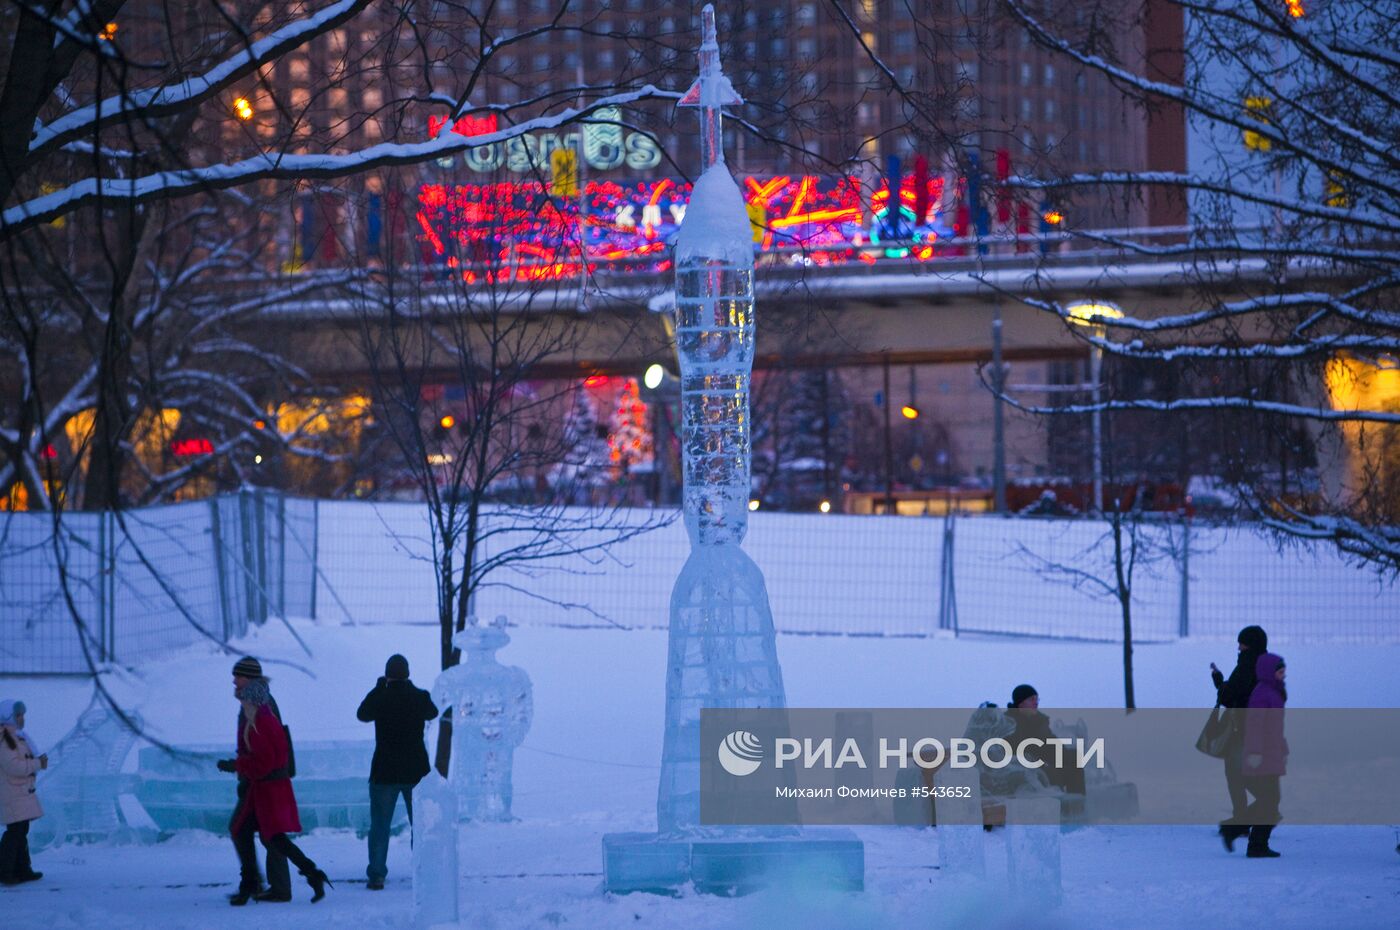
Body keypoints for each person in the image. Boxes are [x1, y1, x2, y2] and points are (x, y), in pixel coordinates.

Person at [225, 677, 331, 902]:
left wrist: (236, 765)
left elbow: (264, 763)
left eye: (244, 699)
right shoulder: (262, 720)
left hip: (267, 792)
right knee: (271, 837)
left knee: (251, 832)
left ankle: (251, 885)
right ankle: (313, 875)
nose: (241, 703)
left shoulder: (262, 724)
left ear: (252, 701)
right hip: (267, 791)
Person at [357, 654, 439, 891]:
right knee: (420, 826)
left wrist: (378, 688)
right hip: (416, 772)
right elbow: (433, 712)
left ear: (387, 675)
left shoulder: (380, 697)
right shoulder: (419, 697)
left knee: (380, 826)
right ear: (408, 674)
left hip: (385, 772)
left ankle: (377, 875)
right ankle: (422, 870)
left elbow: (362, 714)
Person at [217, 656, 291, 904]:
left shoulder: (258, 703)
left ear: (249, 678)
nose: (233, 681)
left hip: (263, 781)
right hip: (262, 779)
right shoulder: (256, 700)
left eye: (238, 676)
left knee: (243, 830)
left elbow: (263, 751)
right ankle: (270, 886)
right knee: (262, 833)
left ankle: (259, 884)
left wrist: (238, 766)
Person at [1222, 653, 1287, 858]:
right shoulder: (1262, 694)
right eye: (1280, 672)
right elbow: (1255, 726)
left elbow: (1275, 727)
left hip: (1271, 752)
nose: (1283, 675)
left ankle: (1247, 838)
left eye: (1284, 671)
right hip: (1262, 755)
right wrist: (1255, 752)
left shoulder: (1274, 691)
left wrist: (1283, 747)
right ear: (1268, 673)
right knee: (1270, 800)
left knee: (1270, 800)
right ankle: (1250, 840)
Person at [1210, 625, 1268, 835]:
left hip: (1241, 729)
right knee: (1244, 773)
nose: (1238, 647)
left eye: (1241, 643)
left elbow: (1230, 696)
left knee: (1236, 774)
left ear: (1249, 645)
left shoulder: (1246, 666)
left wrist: (1218, 682)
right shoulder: (1266, 666)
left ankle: (1249, 815)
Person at [1006, 684, 1086, 796]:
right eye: (1032, 699)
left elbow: (1052, 744)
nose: (1036, 702)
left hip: (1042, 764)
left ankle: (1076, 802)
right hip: (1022, 768)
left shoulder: (1040, 722)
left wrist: (1068, 756)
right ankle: (1059, 802)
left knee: (1073, 759)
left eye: (1037, 699)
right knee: (1052, 771)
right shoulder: (1009, 723)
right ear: (1021, 702)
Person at [0, 700, 47, 885]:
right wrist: (37, 764)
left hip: (19, 793)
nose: (22, 718)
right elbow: (14, 767)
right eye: (18, 715)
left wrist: (37, 762)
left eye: (22, 715)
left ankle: (22, 870)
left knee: (20, 831)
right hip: (12, 794)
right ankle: (5, 872)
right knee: (15, 832)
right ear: (9, 717)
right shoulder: (4, 739)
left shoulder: (16, 737)